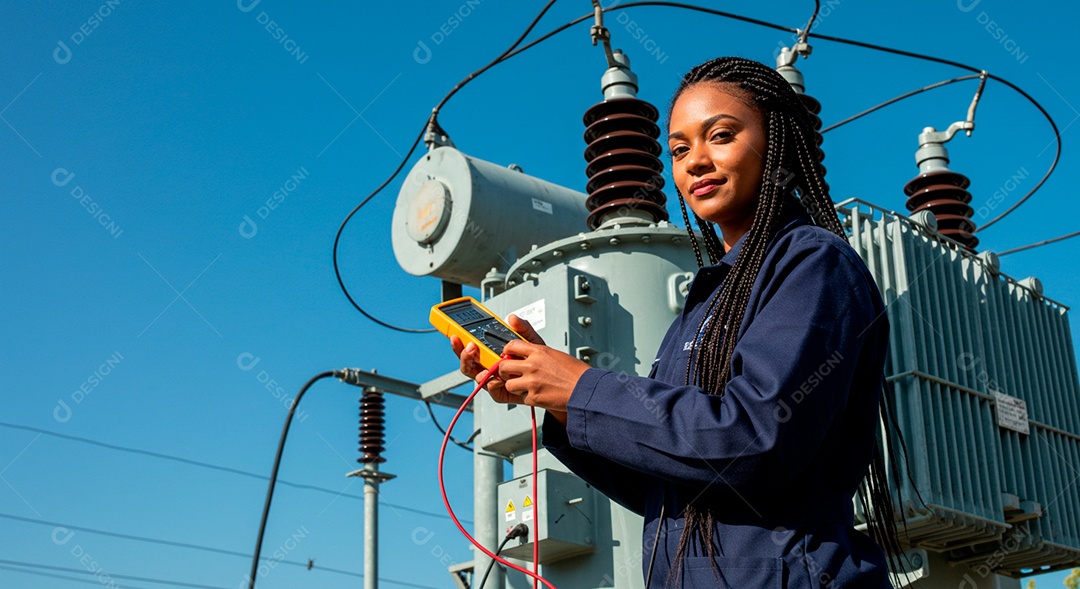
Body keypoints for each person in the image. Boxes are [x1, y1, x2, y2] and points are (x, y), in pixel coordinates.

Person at [451, 56, 898, 588]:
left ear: (775, 140)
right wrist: (557, 399)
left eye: (722, 135)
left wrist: (582, 388)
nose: (696, 162)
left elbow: (757, 437)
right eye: (681, 149)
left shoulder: (813, 264)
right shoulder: (707, 302)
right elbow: (669, 487)